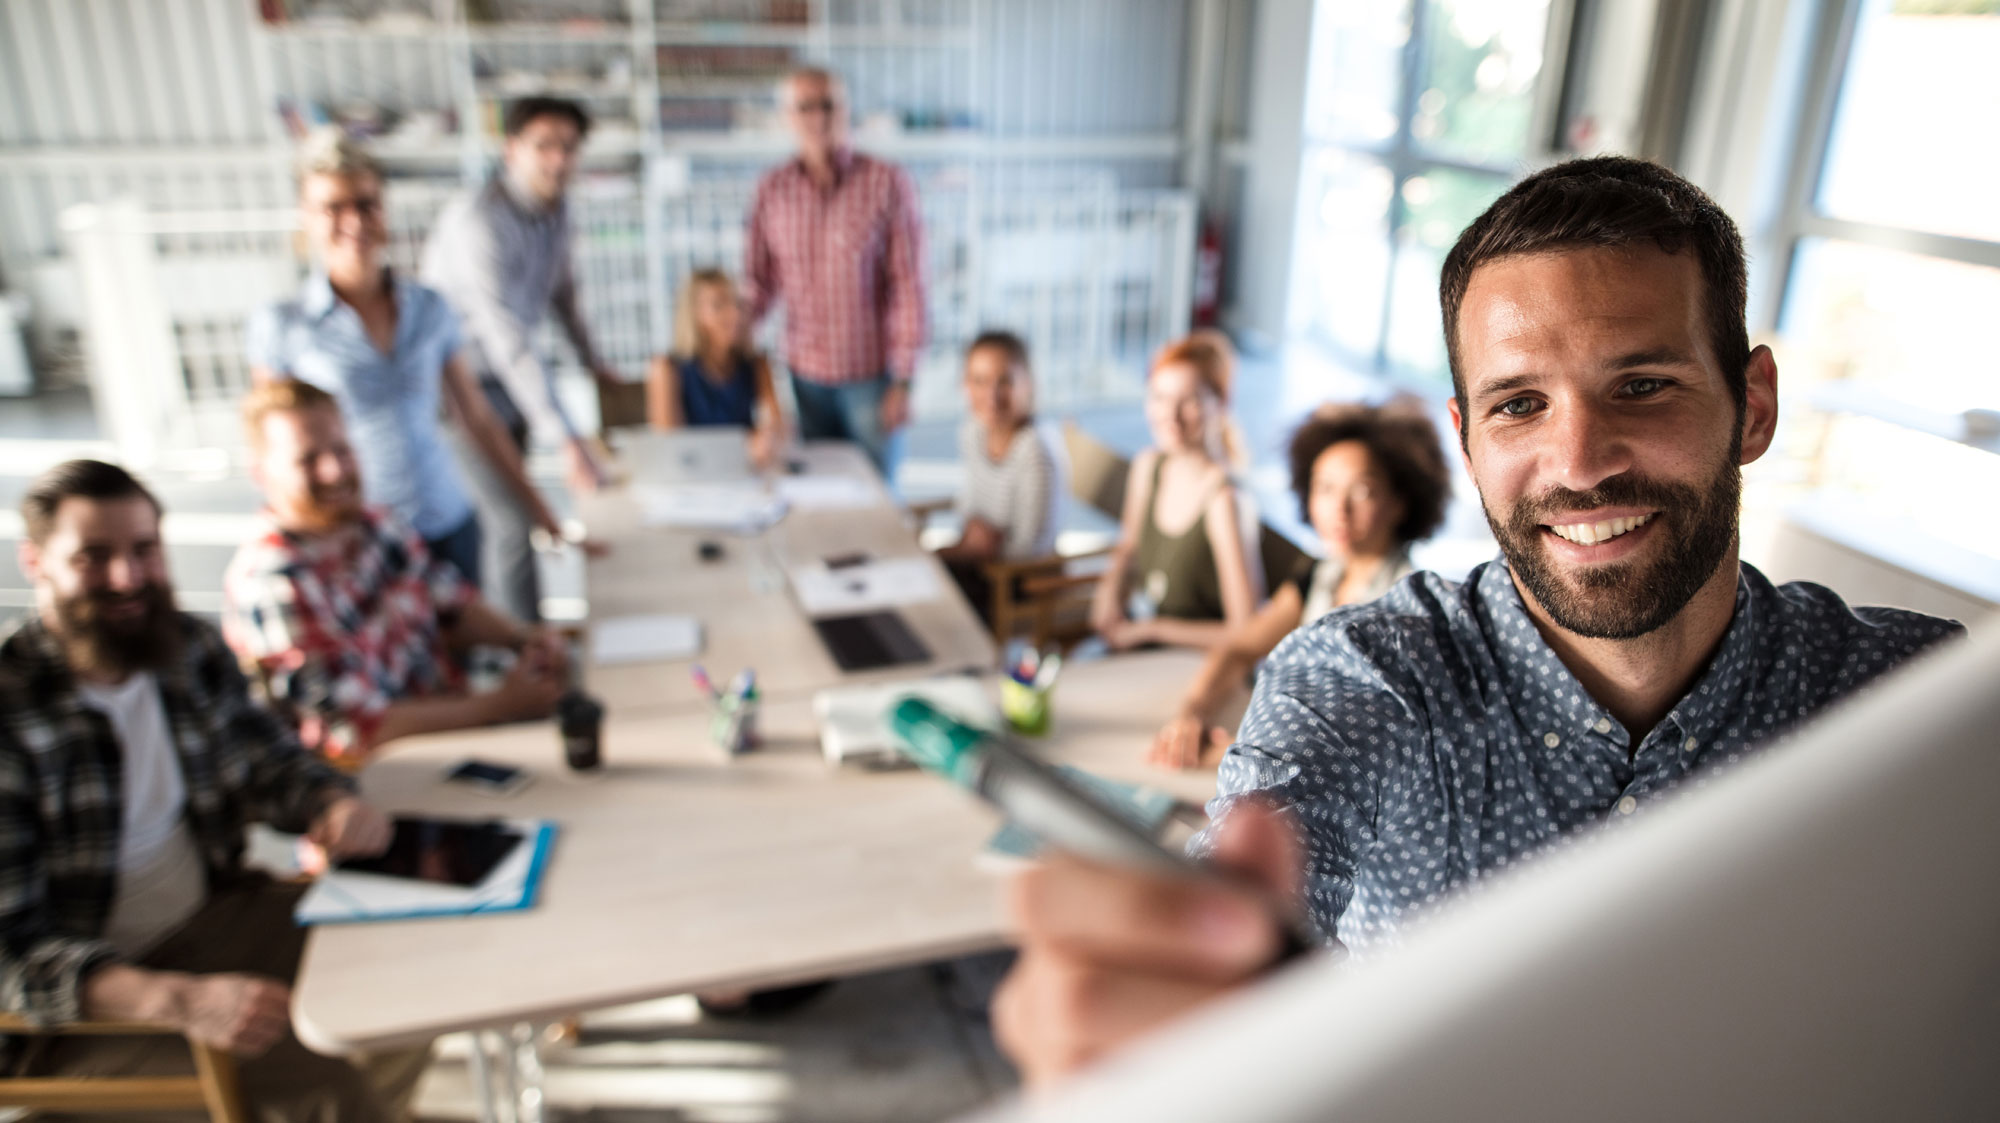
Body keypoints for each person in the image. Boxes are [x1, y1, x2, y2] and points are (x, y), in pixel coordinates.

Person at [992, 156, 1966, 1084]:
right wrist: (1187, 992)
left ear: (1750, 407)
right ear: (1465, 441)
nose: (1578, 461)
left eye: (1640, 386)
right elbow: (1266, 856)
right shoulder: (1361, 677)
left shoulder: (1920, 710)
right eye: (1518, 405)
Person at [1, 459, 422, 1120]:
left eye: (144, 550)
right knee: (326, 1083)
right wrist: (178, 999)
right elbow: (10, 949)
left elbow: (271, 759)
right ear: (36, 562)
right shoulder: (11, 710)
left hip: (213, 918)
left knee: (411, 981)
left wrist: (329, 802)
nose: (127, 577)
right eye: (93, 556)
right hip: (78, 1012)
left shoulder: (186, 649)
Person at [248, 128, 565, 587]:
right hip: (358, 535)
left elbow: (476, 418)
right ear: (306, 217)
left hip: (447, 520)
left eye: (366, 203)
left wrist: (537, 508)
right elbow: (273, 451)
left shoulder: (429, 307)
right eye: (333, 208)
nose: (354, 221)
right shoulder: (283, 325)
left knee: (466, 650)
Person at [223, 380, 569, 769]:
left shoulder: (375, 524)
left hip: (450, 736)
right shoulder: (273, 583)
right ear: (260, 473)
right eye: (308, 459)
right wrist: (499, 706)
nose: (335, 471)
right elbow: (355, 730)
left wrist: (523, 640)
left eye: (342, 450)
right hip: (380, 778)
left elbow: (451, 603)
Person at [1147, 400, 1451, 769]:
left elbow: (1377, 743)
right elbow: (1240, 648)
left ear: (1400, 503)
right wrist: (1191, 714)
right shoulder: (1317, 573)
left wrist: (1240, 758)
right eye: (1324, 488)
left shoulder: (1411, 604)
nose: (1339, 509)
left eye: (1362, 491)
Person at [422, 95, 619, 623]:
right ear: (511, 150)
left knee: (521, 519)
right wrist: (568, 439)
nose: (559, 159)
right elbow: (507, 338)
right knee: (512, 522)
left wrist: (594, 363)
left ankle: (528, 639)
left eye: (570, 147)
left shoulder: (558, 212)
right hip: (461, 389)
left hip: (509, 383)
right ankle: (526, 657)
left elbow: (564, 296)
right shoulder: (477, 221)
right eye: (544, 146)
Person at [744, 66, 927, 482]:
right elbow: (758, 283)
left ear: (846, 111)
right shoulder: (771, 189)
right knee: (819, 492)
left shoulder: (887, 182)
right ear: (787, 116)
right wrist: (720, 342)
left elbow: (909, 285)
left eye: (828, 105)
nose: (818, 117)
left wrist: (905, 379)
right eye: (804, 106)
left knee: (876, 497)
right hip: (804, 376)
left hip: (871, 378)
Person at [1090, 330, 1261, 651]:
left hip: (1197, 665)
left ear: (1222, 402)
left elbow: (1245, 632)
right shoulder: (1148, 465)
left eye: (1191, 400)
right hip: (1142, 644)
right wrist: (1109, 590)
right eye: (1159, 397)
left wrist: (1152, 630)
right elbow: (1128, 546)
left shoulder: (1226, 500)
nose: (1171, 414)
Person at [937, 330, 1064, 624]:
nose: (991, 395)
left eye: (1005, 381)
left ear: (1028, 384)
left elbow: (1031, 546)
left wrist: (978, 546)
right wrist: (972, 533)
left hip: (1019, 579)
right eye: (978, 381)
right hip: (979, 561)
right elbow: (968, 505)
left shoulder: (1035, 448)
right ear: (964, 385)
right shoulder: (973, 431)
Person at [645, 267, 786, 466]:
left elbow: (774, 422)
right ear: (694, 314)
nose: (735, 313)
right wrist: (745, 447)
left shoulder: (756, 364)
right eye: (719, 305)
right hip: (694, 477)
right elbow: (670, 444)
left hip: (744, 473)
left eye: (737, 303)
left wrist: (769, 436)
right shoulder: (667, 369)